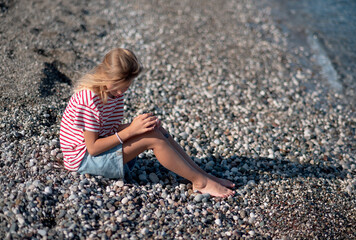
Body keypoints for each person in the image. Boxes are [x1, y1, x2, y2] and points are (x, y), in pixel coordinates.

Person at [60, 48, 234, 197]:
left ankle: (203, 175)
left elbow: (106, 129)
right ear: (106, 77)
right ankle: (200, 183)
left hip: (96, 149)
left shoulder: (112, 93)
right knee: (152, 140)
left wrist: (138, 125)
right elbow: (93, 147)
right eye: (119, 86)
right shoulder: (89, 100)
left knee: (154, 128)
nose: (122, 92)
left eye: (126, 86)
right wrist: (130, 131)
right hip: (83, 159)